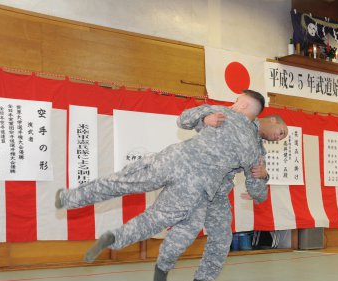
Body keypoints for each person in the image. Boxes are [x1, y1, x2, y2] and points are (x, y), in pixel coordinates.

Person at [55, 90, 267, 263]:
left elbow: (183, 120)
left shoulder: (220, 112)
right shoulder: (254, 147)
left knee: (122, 182)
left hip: (172, 161)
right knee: (155, 219)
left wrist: (204, 117)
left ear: (243, 105)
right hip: (194, 186)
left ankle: (68, 198)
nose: (233, 103)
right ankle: (115, 239)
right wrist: (260, 190)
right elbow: (256, 183)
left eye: (237, 100)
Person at [153, 114, 288, 281]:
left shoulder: (258, 148)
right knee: (184, 231)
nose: (279, 138)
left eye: (282, 138)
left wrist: (264, 175)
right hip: (197, 186)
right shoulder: (239, 123)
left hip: (218, 194)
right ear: (273, 120)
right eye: (281, 132)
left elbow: (256, 174)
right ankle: (162, 268)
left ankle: (202, 279)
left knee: (223, 236)